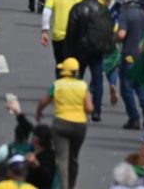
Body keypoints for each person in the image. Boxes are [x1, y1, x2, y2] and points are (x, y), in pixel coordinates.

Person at [35, 57, 94, 189]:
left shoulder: (57, 85)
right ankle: (72, 185)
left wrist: (38, 112)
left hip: (61, 124)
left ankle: (64, 186)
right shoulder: (83, 86)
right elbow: (90, 108)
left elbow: (43, 102)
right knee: (73, 158)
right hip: (79, 125)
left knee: (62, 158)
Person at [64, 0, 111, 121]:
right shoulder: (102, 8)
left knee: (76, 78)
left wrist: (68, 51)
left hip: (80, 49)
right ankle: (97, 111)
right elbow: (107, 29)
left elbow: (71, 30)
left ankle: (75, 106)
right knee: (97, 80)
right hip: (97, 48)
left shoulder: (78, 8)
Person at [116, 0, 144, 130]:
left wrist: (114, 39)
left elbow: (121, 35)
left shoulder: (125, 15)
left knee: (127, 88)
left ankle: (134, 118)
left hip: (129, 55)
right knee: (141, 87)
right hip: (142, 56)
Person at [41, 0, 84, 64]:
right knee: (73, 65)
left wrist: (44, 30)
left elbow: (46, 12)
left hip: (58, 35)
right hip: (75, 36)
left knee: (59, 64)